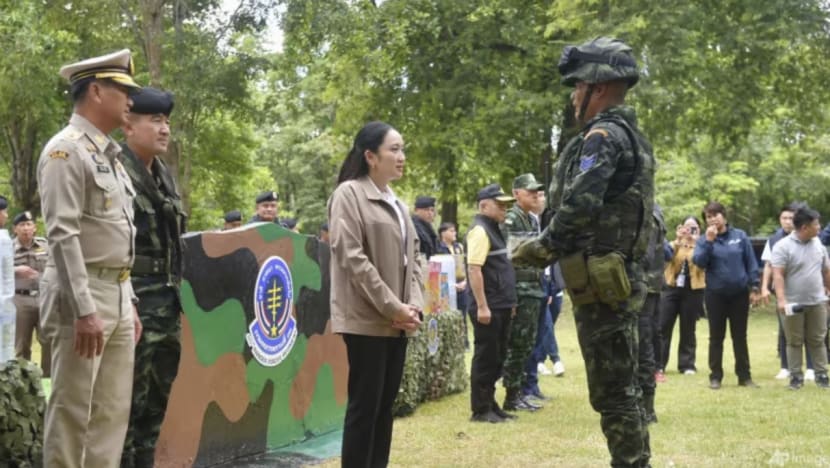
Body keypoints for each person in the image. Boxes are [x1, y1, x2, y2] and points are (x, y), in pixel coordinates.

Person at [512, 37, 653, 466]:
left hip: (603, 284)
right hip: (615, 280)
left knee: (614, 396)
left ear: (600, 87)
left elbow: (580, 204)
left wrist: (542, 248)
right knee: (623, 391)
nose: (575, 97)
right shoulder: (634, 136)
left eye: (578, 87)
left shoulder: (604, 135)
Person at [38, 49, 142, 468]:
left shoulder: (110, 157)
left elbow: (119, 238)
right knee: (73, 411)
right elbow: (63, 234)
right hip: (81, 295)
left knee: (111, 413)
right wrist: (84, 308)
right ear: (96, 91)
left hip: (116, 293)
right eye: (123, 91)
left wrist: (128, 300)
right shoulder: (65, 151)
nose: (131, 101)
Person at [328, 121, 423, 468]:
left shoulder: (396, 202)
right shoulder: (348, 195)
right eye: (394, 149)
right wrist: (392, 306)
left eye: (402, 149)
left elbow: (414, 257)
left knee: (385, 408)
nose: (402, 156)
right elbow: (352, 258)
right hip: (367, 320)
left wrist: (412, 305)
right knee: (365, 408)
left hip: (398, 322)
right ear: (370, 155)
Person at [118, 87, 187, 468]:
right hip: (132, 308)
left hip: (165, 307)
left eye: (167, 122)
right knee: (125, 410)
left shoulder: (164, 176)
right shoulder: (117, 171)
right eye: (155, 120)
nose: (165, 130)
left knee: (154, 411)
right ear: (128, 124)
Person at [692, 201, 761, 390]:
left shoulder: (740, 236)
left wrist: (754, 287)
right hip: (715, 295)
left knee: (740, 336)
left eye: (716, 215)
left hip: (739, 294)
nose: (713, 219)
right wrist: (708, 241)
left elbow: (751, 263)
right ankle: (715, 376)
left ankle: (744, 376)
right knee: (716, 337)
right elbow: (699, 262)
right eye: (708, 216)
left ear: (724, 216)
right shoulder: (704, 240)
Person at [466, 184, 517, 423]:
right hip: (489, 305)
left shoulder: (495, 228)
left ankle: (491, 404)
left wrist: (510, 302)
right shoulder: (480, 230)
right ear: (484, 205)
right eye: (500, 205)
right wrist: (482, 306)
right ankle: (480, 409)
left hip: (501, 303)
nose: (505, 209)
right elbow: (474, 269)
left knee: (497, 357)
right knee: (486, 357)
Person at [770, 204, 830, 390]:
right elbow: (778, 274)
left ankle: (822, 375)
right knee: (794, 341)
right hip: (792, 303)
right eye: (816, 224)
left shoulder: (818, 244)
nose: (819, 228)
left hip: (817, 301)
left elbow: (826, 270)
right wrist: (781, 300)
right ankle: (796, 377)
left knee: (818, 339)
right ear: (804, 227)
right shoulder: (782, 246)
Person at [501, 173, 547, 411]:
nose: (535, 195)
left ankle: (518, 392)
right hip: (521, 290)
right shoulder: (512, 219)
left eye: (537, 192)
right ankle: (511, 395)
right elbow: (512, 261)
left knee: (527, 344)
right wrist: (512, 296)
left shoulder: (528, 219)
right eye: (530, 192)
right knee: (518, 344)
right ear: (517, 194)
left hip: (533, 289)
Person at [761, 204, 814, 380]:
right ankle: (786, 366)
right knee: (785, 328)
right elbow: (768, 265)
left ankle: (811, 368)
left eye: (790, 218)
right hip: (784, 292)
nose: (787, 222)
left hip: (805, 290)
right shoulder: (774, 239)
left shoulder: (808, 237)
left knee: (808, 328)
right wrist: (764, 287)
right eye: (784, 218)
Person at [659, 215, 706, 377]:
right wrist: (679, 241)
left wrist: (697, 241)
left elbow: (703, 263)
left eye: (694, 227)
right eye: (687, 227)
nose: (690, 230)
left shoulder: (702, 245)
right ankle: (659, 364)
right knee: (663, 325)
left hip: (693, 289)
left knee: (688, 327)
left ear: (699, 229)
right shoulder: (674, 244)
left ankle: (687, 364)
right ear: (681, 228)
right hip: (671, 288)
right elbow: (667, 258)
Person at [12, 211, 51, 376]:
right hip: (20, 300)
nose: (26, 228)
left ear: (35, 228)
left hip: (44, 298)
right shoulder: (7, 247)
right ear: (15, 229)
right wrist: (16, 270)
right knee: (22, 345)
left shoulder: (45, 245)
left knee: (48, 341)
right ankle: (24, 384)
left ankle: (48, 380)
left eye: (29, 225)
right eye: (22, 225)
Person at [639, 204, 666, 424]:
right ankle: (646, 406)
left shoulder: (645, 212)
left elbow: (643, 255)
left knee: (641, 346)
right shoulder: (654, 209)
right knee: (645, 345)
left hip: (641, 288)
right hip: (651, 287)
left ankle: (645, 407)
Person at [436, 222, 468, 344]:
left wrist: (465, 282)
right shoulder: (438, 248)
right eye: (451, 231)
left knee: (462, 315)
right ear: (443, 233)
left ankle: (463, 342)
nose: (454, 233)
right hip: (446, 287)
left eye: (455, 230)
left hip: (462, 285)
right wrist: (451, 286)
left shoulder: (459, 247)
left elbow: (466, 265)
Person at [412, 195, 438, 260]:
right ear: (416, 210)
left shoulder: (428, 227)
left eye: (432, 210)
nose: (430, 213)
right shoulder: (412, 226)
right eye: (426, 210)